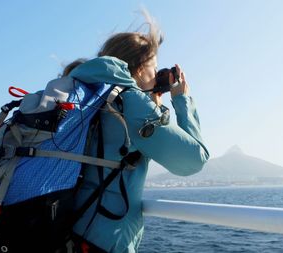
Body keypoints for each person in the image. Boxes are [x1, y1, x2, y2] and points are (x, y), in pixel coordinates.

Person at [68, 13, 210, 253]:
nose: (157, 76)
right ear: (139, 67)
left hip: (71, 229)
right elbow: (193, 161)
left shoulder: (89, 92)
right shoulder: (130, 104)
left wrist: (152, 104)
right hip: (105, 241)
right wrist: (182, 100)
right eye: (154, 68)